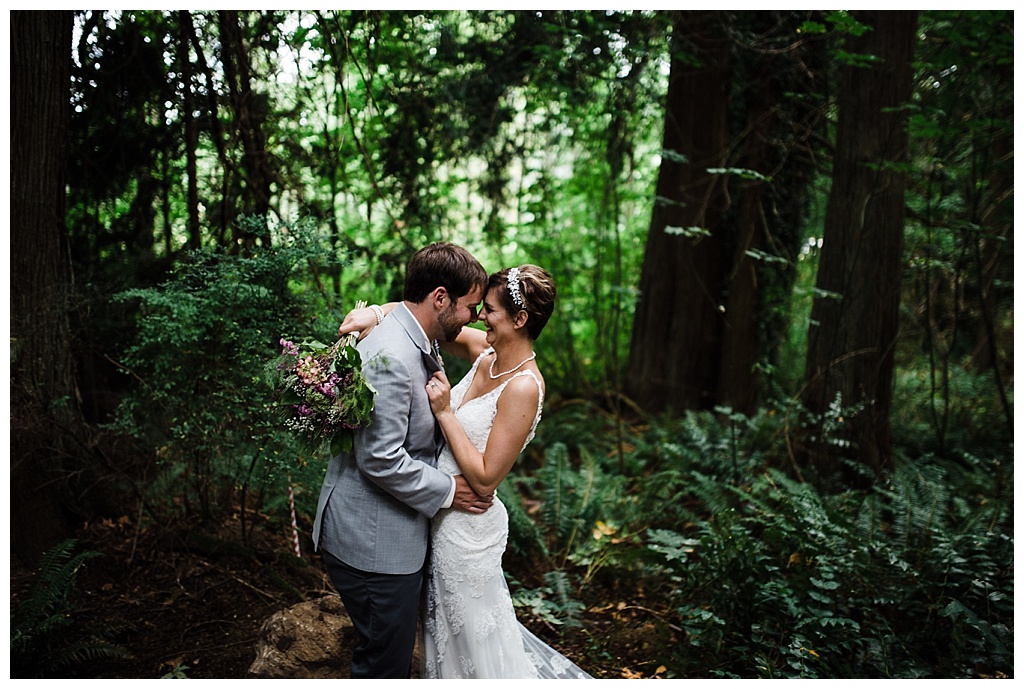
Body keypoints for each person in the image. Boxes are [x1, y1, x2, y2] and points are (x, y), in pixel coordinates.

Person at [340, 265, 592, 679]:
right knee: (441, 646)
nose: (478, 317)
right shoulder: (486, 353)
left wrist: (444, 413)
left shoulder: (524, 386)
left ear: (520, 320)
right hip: (435, 516)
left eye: (489, 310)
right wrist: (379, 314)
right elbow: (424, 319)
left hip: (466, 531)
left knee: (473, 649)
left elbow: (487, 478)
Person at [311, 242, 493, 679]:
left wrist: (375, 310)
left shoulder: (414, 331)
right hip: (373, 546)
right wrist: (451, 491)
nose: (474, 318)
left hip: (388, 535)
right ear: (440, 298)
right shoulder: (393, 356)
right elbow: (380, 458)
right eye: (470, 307)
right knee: (384, 668)